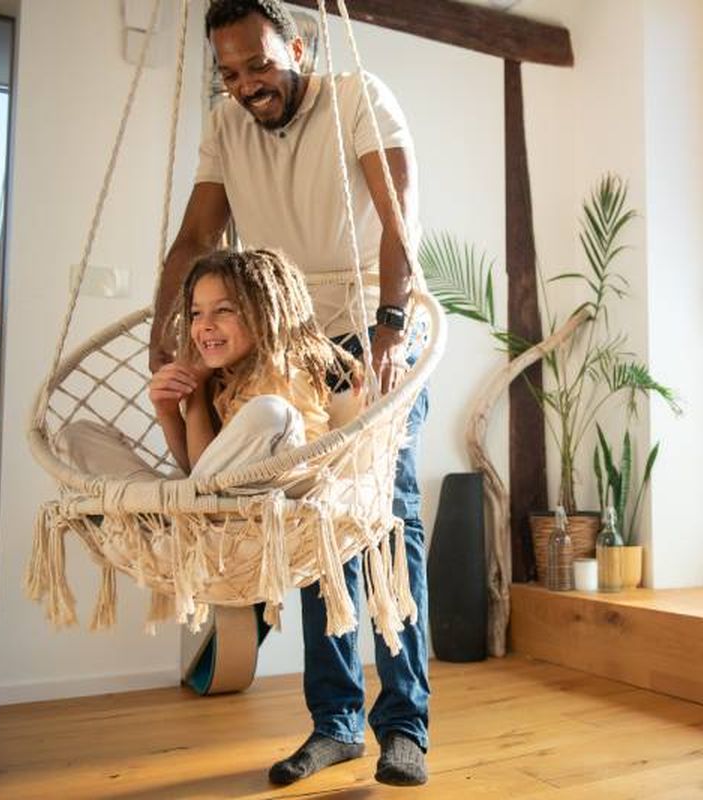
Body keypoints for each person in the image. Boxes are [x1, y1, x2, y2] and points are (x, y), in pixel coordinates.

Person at [149, 0, 431, 788]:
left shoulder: (357, 96)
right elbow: (197, 238)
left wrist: (389, 325)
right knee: (308, 532)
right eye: (230, 73)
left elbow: (399, 216)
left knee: (384, 524)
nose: (245, 85)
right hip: (283, 349)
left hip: (366, 335)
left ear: (298, 45)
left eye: (260, 65)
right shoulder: (226, 122)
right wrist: (167, 335)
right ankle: (335, 725)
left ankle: (405, 726)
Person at [58, 248, 360, 486]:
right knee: (77, 437)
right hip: (209, 502)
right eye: (196, 313)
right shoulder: (220, 376)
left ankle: (164, 516)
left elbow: (207, 479)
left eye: (224, 310)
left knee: (270, 412)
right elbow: (198, 470)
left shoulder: (282, 371)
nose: (205, 326)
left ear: (266, 316)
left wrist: (197, 394)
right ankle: (157, 513)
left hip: (272, 503)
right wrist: (170, 409)